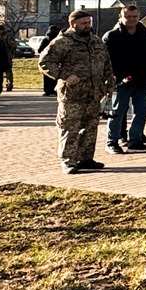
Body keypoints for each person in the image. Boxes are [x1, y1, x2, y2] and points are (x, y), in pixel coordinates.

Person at [38, 9, 113, 173]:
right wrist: (65, 76)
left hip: (94, 93)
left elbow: (106, 64)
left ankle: (86, 158)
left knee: (90, 128)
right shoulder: (63, 42)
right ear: (73, 24)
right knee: (70, 128)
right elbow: (45, 62)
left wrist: (109, 84)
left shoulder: (96, 42)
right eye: (83, 23)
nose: (87, 26)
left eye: (89, 22)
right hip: (72, 95)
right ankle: (68, 161)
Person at [103, 6, 146, 154]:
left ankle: (135, 140)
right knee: (117, 112)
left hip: (142, 81)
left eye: (135, 16)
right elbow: (104, 60)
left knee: (140, 113)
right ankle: (112, 141)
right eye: (128, 16)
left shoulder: (145, 34)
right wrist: (113, 78)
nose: (132, 19)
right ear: (120, 17)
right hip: (121, 82)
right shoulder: (112, 36)